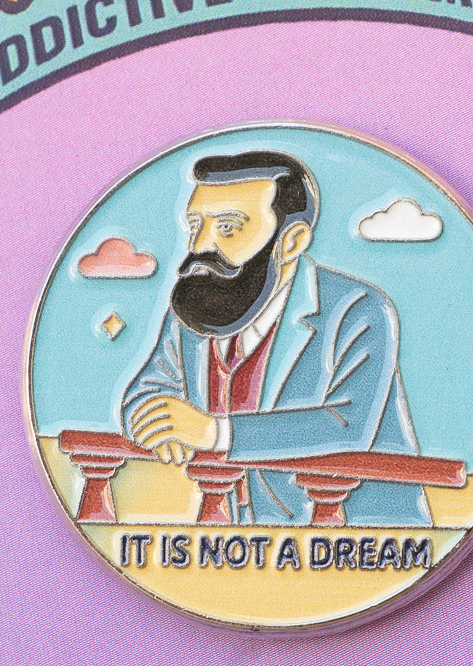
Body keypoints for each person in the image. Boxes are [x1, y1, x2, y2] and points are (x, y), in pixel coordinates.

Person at [121, 150, 431, 526]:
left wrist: (212, 432)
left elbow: (346, 424)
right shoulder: (193, 307)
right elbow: (148, 388)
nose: (199, 246)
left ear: (291, 241)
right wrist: (155, 420)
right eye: (195, 225)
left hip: (359, 532)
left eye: (227, 228)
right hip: (234, 532)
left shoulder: (356, 308)